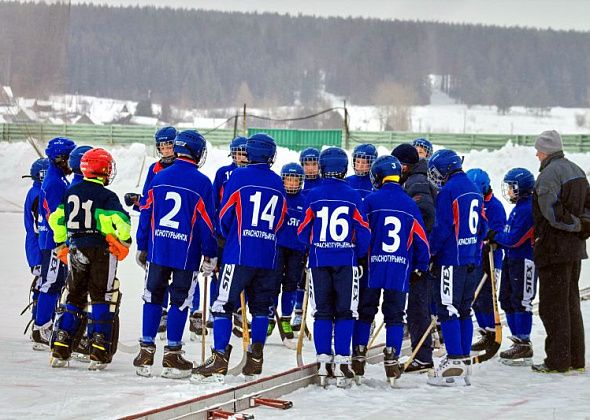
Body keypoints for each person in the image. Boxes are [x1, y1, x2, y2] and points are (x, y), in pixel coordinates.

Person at [192, 133, 287, 383]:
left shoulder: (238, 177)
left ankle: (220, 358)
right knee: (260, 309)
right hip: (268, 255)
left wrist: (228, 236)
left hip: (239, 254)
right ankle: (255, 358)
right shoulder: (278, 182)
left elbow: (224, 215)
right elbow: (281, 219)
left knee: (222, 304)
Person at [134, 130, 217, 379]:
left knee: (152, 297)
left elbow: (146, 212)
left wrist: (142, 244)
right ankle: (172, 356)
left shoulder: (159, 176)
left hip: (158, 250)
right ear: (197, 152)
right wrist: (210, 253)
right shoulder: (202, 182)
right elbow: (206, 223)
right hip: (186, 253)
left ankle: (145, 353)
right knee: (180, 301)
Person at [48, 148, 132, 370]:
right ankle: (99, 349)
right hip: (101, 251)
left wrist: (60, 243)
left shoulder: (71, 192)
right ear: (103, 170)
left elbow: (56, 219)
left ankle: (61, 345)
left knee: (74, 296)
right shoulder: (107, 196)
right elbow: (122, 222)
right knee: (101, 297)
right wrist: (124, 239)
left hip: (76, 248)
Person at [297, 147, 371, 388]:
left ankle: (322, 361)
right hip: (346, 261)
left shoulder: (314, 194)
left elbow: (302, 231)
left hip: (319, 260)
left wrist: (314, 245)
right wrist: (356, 253)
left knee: (322, 312)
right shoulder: (352, 195)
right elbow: (364, 232)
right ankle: (341, 361)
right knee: (346, 311)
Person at [353, 155, 430, 385]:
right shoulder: (409, 203)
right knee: (395, 315)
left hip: (373, 266)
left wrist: (358, 257)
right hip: (399, 268)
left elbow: (362, 232)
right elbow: (421, 240)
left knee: (365, 311)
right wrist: (421, 266)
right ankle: (392, 358)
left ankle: (358, 354)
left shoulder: (371, 200)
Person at [426, 149, 487, 387]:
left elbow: (442, 227)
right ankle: (462, 360)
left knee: (448, 309)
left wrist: (430, 252)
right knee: (463, 310)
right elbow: (482, 226)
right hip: (472, 258)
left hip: (452, 259)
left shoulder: (449, 191)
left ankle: (454, 363)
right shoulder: (474, 188)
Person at [530, 130, 589, 373]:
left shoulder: (548, 176)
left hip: (554, 250)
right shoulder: (577, 170)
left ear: (546, 152)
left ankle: (558, 360)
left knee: (553, 307)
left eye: (538, 151)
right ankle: (576, 358)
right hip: (574, 250)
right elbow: (588, 206)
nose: (536, 154)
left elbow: (551, 212)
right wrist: (583, 227)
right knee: (570, 304)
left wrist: (574, 225)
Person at [125, 126, 177, 339]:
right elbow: (149, 202)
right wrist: (138, 201)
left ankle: (190, 311)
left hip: (177, 232)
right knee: (157, 277)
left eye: (169, 145)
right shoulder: (154, 169)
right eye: (162, 146)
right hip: (158, 233)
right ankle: (162, 311)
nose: (165, 150)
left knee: (182, 275)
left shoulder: (184, 167)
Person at [390, 143, 437, 372]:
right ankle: (421, 353)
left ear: (404, 165)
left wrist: (420, 250)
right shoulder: (413, 179)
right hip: (420, 254)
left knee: (418, 308)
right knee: (417, 308)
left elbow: (425, 216)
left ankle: (422, 356)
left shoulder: (416, 182)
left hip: (421, 257)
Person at [486, 168, 537, 365]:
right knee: (507, 299)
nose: (509, 191)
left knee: (521, 300)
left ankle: (524, 342)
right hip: (512, 259)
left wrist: (496, 237)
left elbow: (514, 238)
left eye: (512, 187)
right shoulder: (519, 207)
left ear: (521, 188)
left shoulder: (527, 209)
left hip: (524, 260)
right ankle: (517, 340)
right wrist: (499, 239)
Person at [33, 137, 76, 350]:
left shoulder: (59, 178)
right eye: (70, 158)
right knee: (51, 282)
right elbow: (53, 215)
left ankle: (45, 323)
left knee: (56, 281)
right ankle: (41, 327)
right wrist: (62, 240)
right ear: (60, 158)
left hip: (55, 241)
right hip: (53, 242)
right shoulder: (54, 182)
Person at [209, 136, 248, 339]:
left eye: (244, 152)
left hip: (242, 233)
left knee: (242, 273)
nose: (240, 156)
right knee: (219, 273)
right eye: (237, 152)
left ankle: (241, 310)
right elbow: (214, 201)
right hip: (223, 233)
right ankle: (214, 307)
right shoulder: (223, 173)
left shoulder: (251, 174)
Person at [465, 168, 506, 354]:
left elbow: (497, 232)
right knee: (476, 298)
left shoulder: (495, 206)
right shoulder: (474, 202)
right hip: (475, 258)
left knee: (487, 297)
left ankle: (492, 330)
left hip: (490, 258)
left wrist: (491, 238)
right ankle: (484, 331)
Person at [268, 163, 307, 340]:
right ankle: (270, 317)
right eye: (288, 179)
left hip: (297, 250)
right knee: (273, 283)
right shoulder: (277, 197)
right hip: (277, 248)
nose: (291, 183)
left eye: (295, 180)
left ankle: (286, 317)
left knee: (291, 284)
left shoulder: (305, 200)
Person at [291, 146, 322, 330]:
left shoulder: (323, 184)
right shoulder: (297, 183)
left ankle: (315, 311)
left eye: (313, 164)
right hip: (299, 239)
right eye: (306, 164)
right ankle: (297, 311)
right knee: (298, 276)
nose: (310, 168)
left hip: (317, 238)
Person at [22, 158, 49, 334]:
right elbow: (37, 228)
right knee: (43, 284)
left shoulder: (37, 192)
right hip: (38, 249)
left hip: (38, 247)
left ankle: (40, 324)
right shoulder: (38, 195)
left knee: (45, 284)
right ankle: (39, 327)